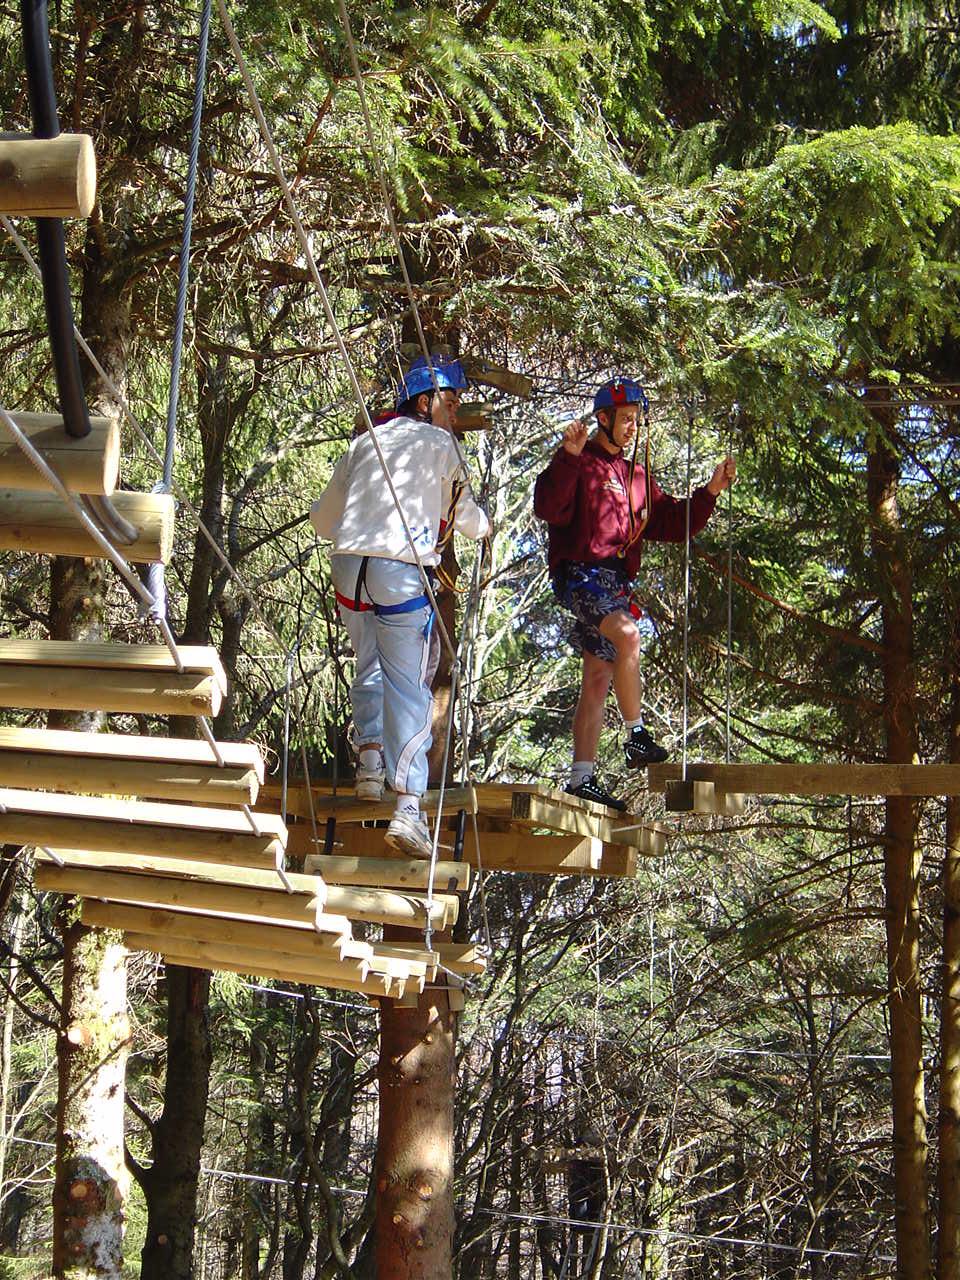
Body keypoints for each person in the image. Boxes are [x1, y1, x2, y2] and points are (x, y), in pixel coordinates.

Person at [310, 356, 490, 857]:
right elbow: (467, 517)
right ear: (424, 402)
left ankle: (369, 765)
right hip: (400, 570)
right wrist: (485, 527)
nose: (454, 414)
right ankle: (409, 808)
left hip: (349, 567)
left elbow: (322, 520)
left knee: (368, 663)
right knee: (410, 686)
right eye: (449, 403)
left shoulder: (365, 441)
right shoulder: (442, 445)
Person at [533, 377, 736, 811]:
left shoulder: (636, 476)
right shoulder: (578, 461)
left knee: (598, 676)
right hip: (580, 575)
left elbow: (672, 522)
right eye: (625, 418)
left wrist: (710, 492)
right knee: (628, 634)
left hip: (616, 583)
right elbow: (548, 507)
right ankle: (636, 735)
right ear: (603, 419)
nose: (632, 427)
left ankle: (581, 778)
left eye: (636, 420)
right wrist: (568, 457)